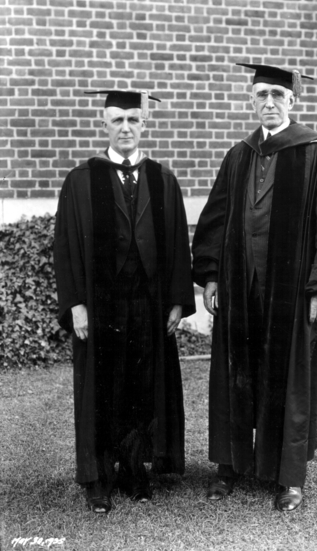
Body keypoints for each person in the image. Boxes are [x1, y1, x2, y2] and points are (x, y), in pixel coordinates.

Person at [192, 64, 317, 512]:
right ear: (251, 100)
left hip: (291, 293)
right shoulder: (239, 154)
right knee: (235, 376)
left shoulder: (316, 152)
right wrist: (212, 275)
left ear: (293, 100)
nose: (268, 102)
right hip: (240, 286)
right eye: (260, 95)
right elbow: (215, 218)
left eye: (277, 94)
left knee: (289, 380)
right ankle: (229, 467)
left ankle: (289, 478)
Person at [54, 89, 195, 514]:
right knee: (100, 388)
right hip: (100, 307)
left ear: (145, 124)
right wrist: (76, 303)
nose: (126, 127)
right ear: (104, 124)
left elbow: (175, 245)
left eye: (134, 119)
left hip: (148, 306)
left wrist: (176, 301)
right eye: (118, 120)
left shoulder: (162, 179)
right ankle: (98, 478)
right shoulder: (81, 179)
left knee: (140, 388)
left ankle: (136, 470)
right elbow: (65, 247)